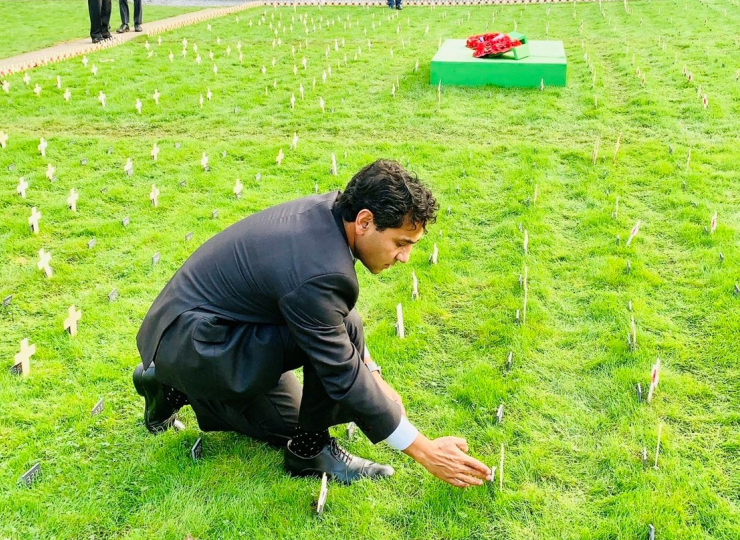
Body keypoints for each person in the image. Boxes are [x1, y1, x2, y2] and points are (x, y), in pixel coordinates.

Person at [133, 159, 492, 488]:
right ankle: (301, 447)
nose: (405, 257)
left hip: (205, 329)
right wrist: (425, 449)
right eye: (401, 242)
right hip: (200, 346)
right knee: (322, 372)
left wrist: (375, 376)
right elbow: (340, 371)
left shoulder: (330, 214)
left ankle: (166, 382)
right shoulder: (319, 271)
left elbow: (335, 322)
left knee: (337, 333)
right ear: (365, 221)